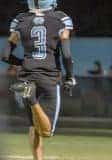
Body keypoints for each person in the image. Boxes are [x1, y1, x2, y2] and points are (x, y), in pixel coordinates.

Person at [0, 0, 76, 159]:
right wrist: (70, 77)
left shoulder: (20, 19)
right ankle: (32, 98)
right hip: (49, 75)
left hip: (27, 75)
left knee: (34, 125)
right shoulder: (61, 18)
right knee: (47, 132)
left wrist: (23, 63)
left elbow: (5, 56)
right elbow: (67, 55)